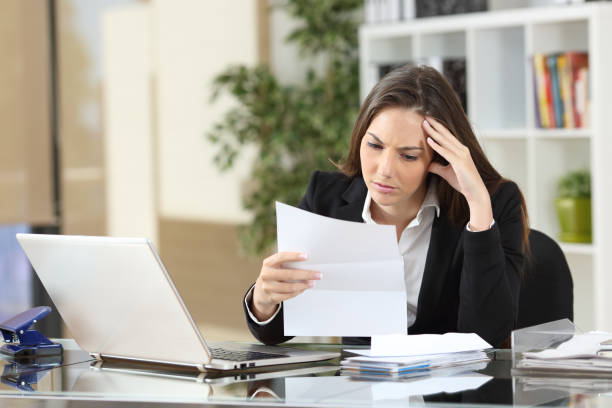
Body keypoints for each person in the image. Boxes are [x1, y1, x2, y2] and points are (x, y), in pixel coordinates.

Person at [242, 65, 529, 348]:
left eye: (408, 156)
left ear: (439, 157)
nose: (384, 170)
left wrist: (478, 204)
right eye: (375, 146)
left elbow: (486, 336)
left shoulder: (493, 203)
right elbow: (278, 330)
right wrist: (264, 300)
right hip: (357, 387)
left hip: (450, 389)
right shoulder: (326, 197)